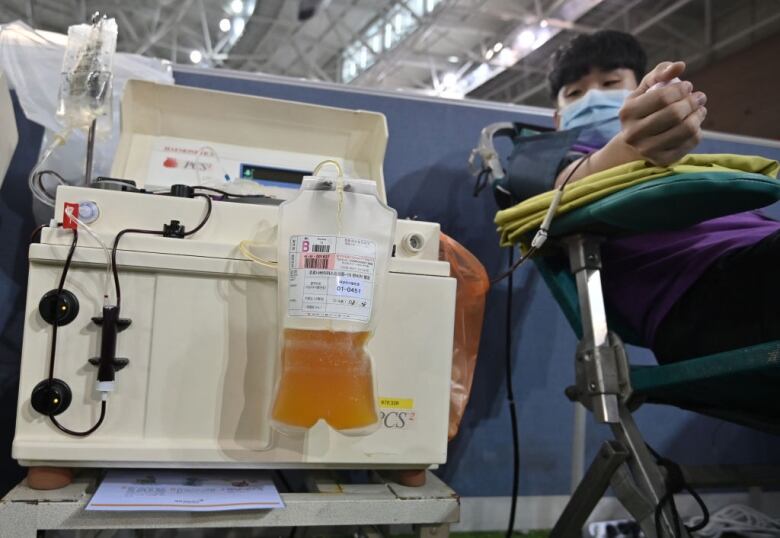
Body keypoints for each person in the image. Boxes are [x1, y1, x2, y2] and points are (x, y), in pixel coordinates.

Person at [546, 30, 780, 363]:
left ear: (640, 90)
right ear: (557, 119)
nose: (594, 97)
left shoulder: (689, 160)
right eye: (575, 93)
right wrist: (628, 146)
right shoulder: (552, 156)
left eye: (611, 83)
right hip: (699, 292)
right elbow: (561, 191)